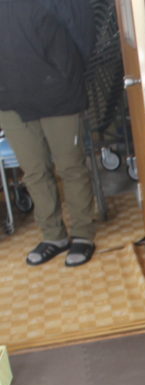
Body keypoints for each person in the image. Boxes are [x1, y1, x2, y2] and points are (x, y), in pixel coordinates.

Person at [0, 0, 97, 267]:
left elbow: (81, 28)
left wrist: (66, 72)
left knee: (70, 166)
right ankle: (53, 236)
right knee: (34, 171)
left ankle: (83, 234)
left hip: (58, 91)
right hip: (9, 98)